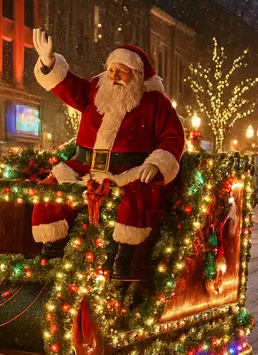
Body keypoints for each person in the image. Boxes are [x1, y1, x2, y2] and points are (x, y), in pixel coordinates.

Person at [29, 28, 184, 278]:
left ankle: (123, 264)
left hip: (126, 172)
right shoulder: (95, 90)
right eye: (111, 70)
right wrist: (48, 62)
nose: (113, 76)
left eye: (120, 71)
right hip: (83, 168)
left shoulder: (156, 103)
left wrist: (156, 164)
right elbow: (67, 86)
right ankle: (52, 256)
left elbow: (172, 138)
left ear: (136, 74)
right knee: (51, 193)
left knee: (135, 201)